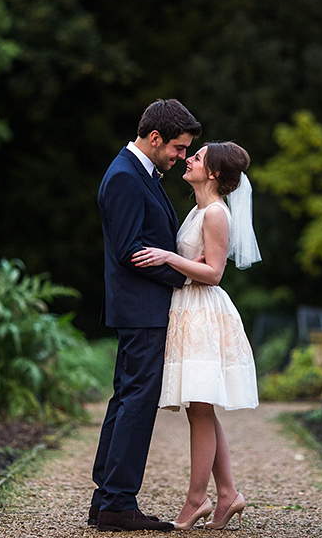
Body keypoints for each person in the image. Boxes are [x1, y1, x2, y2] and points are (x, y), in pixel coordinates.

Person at [132, 141, 261, 531]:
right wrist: (183, 262)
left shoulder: (216, 214)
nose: (189, 159)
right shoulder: (200, 209)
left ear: (215, 174)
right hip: (188, 308)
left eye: (199, 157)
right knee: (200, 408)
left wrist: (168, 256)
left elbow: (216, 273)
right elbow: (199, 263)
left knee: (201, 409)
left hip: (203, 312)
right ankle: (226, 495)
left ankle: (196, 498)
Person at [90, 99, 202, 532]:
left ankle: (106, 500)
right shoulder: (123, 177)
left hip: (141, 309)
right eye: (177, 147)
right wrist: (183, 277)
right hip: (141, 310)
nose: (180, 156)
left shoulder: (139, 173)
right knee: (135, 403)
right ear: (155, 138)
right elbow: (129, 251)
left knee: (126, 399)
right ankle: (118, 503)